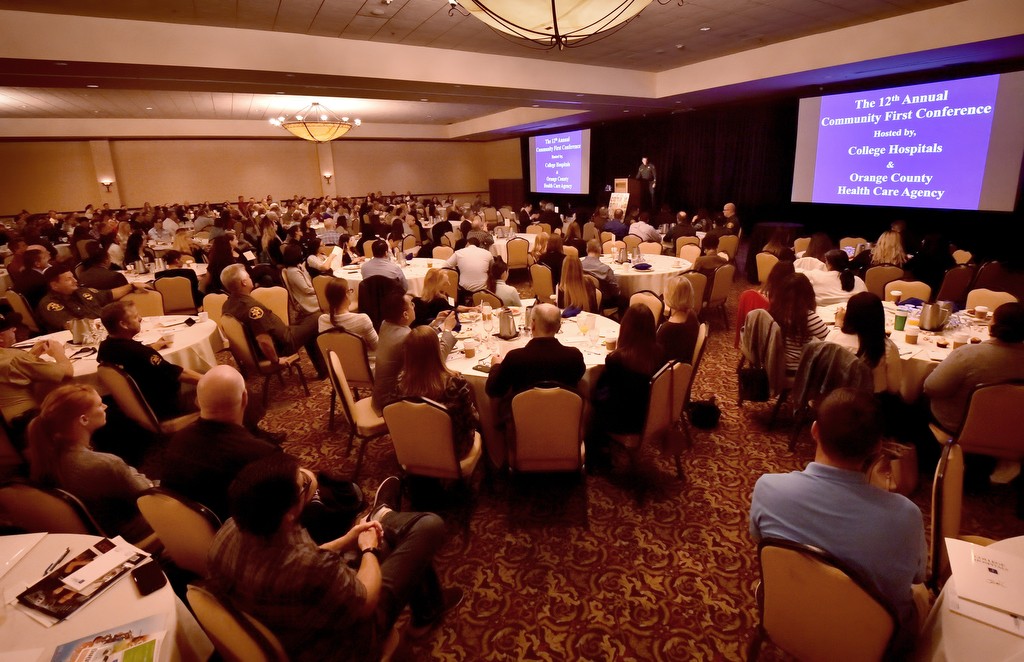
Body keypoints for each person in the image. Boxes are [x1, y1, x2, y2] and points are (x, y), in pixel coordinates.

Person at [207, 460, 463, 662]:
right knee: (429, 526)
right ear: (288, 515)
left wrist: (346, 540)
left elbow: (300, 557)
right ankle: (382, 514)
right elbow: (365, 601)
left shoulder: (228, 532)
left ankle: (425, 609)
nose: (308, 480)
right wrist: (368, 550)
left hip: (290, 625)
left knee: (385, 535)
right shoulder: (310, 566)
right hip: (346, 643)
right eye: (304, 485)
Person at [749, 388, 926, 655]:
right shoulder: (906, 517)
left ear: (815, 431)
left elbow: (760, 542)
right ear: (878, 446)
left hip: (789, 613)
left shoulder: (768, 488)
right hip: (869, 643)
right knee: (925, 597)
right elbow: (917, 577)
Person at [27, 384, 154, 540]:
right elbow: (147, 495)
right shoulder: (103, 464)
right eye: (100, 404)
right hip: (130, 534)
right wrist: (136, 474)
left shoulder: (46, 457)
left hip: (93, 536)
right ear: (84, 419)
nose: (106, 406)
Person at [924, 302, 1024, 434]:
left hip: (958, 427)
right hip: (1012, 431)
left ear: (993, 325)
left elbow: (932, 388)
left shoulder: (968, 354)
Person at [97, 300, 204, 419]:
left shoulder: (105, 347)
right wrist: (210, 381)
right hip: (167, 408)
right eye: (135, 316)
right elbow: (178, 373)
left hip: (137, 409)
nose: (140, 319)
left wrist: (152, 347)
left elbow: (131, 358)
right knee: (209, 378)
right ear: (123, 324)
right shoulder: (141, 353)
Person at [221, 263, 326, 379]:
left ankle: (323, 370)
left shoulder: (227, 305)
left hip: (269, 342)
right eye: (248, 277)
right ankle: (324, 369)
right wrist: (275, 361)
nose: (251, 278)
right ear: (244, 283)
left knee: (307, 322)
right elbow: (263, 340)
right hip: (284, 344)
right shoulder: (252, 309)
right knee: (319, 317)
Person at [485, 303, 586, 421]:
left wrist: (496, 365)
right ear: (559, 327)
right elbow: (579, 378)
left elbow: (493, 390)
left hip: (523, 421)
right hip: (565, 418)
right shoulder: (574, 356)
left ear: (532, 324)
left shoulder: (515, 358)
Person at [398, 326, 480, 457]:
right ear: (436, 351)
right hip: (454, 450)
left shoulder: (400, 384)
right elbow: (472, 420)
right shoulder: (455, 383)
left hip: (416, 446)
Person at [373, 292, 456, 412]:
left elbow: (419, 341)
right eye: (412, 304)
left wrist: (436, 323)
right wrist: (447, 330)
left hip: (381, 395)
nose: (414, 306)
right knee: (449, 384)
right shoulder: (404, 338)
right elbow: (436, 361)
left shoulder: (386, 325)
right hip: (395, 402)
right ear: (405, 314)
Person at [591, 303, 665, 438]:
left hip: (622, 422)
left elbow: (602, 394)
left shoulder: (616, 359)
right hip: (648, 416)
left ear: (625, 327)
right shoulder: (659, 353)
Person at [0, 309, 72, 436]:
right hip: (28, 424)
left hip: (6, 429)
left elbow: (13, 369)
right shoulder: (14, 357)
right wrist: (58, 353)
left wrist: (31, 355)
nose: (15, 330)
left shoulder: (12, 357)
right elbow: (66, 374)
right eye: (9, 328)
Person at [36, 264, 144, 332]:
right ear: (54, 285)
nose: (75, 281)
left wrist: (132, 286)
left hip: (104, 331)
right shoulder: (49, 304)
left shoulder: (82, 291)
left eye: (73, 277)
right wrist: (112, 322)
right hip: (78, 341)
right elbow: (72, 326)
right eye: (68, 279)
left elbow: (109, 294)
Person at [829, 292, 901, 395]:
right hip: (872, 403)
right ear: (879, 318)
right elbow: (894, 387)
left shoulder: (833, 337)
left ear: (848, 314)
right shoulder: (886, 347)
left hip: (836, 400)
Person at [770, 273, 829, 373]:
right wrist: (838, 324)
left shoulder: (774, 311)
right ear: (809, 294)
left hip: (775, 365)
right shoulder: (807, 317)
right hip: (799, 369)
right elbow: (831, 341)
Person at [318, 278, 378, 354]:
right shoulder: (362, 319)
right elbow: (377, 347)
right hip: (364, 364)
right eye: (350, 291)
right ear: (346, 294)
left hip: (335, 365)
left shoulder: (322, 320)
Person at [657, 275, 699, 363]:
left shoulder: (668, 329)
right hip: (682, 366)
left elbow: (656, 359)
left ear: (670, 296)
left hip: (666, 372)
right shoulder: (692, 315)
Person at [802, 249, 867, 306]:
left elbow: (799, 274)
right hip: (852, 314)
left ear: (829, 265)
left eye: (826, 261)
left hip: (824, 316)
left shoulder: (815, 275)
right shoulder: (858, 280)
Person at [444, 237, 493, 303]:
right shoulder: (488, 253)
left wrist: (454, 269)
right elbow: (493, 269)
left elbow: (445, 266)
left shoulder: (459, 252)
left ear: (467, 244)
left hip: (464, 288)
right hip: (483, 288)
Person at [281, 244, 320, 320]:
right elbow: (307, 290)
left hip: (309, 296)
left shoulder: (296, 267)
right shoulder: (293, 272)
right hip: (308, 301)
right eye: (300, 252)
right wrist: (320, 290)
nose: (302, 254)